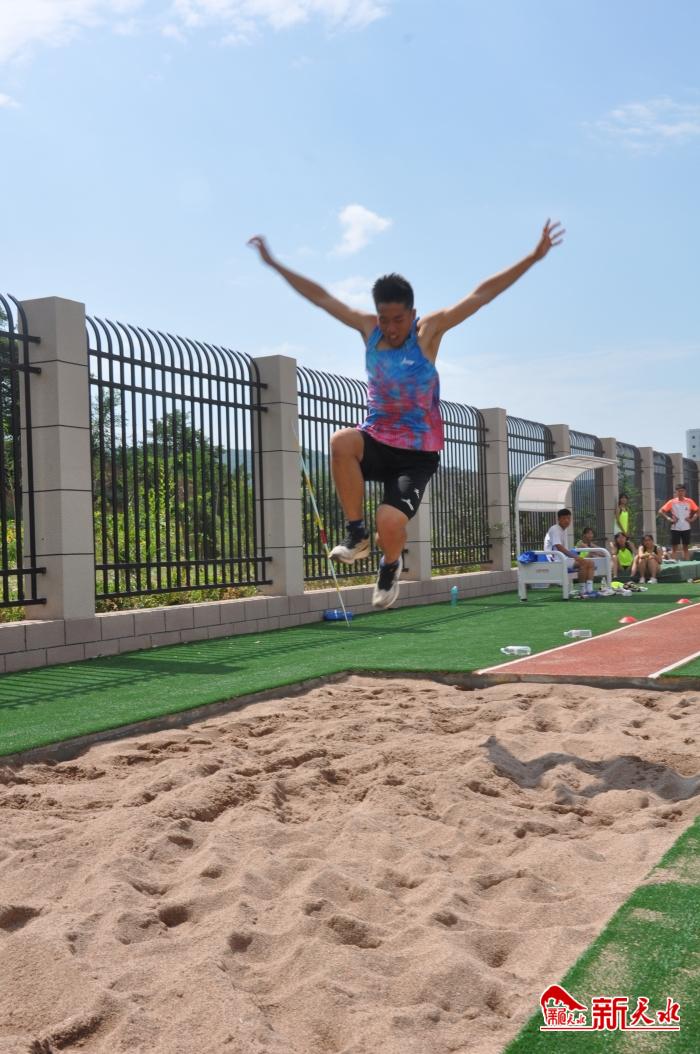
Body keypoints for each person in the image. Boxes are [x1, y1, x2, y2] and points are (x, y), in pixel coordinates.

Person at [248, 221, 564, 608]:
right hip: (377, 438)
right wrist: (275, 264)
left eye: (398, 320)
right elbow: (322, 298)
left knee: (390, 523)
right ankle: (356, 534)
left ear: (412, 313)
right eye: (385, 319)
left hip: (417, 454)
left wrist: (532, 257)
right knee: (340, 442)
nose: (391, 328)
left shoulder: (429, 331)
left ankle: (390, 563)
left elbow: (481, 295)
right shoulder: (369, 331)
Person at [544, 508, 596, 596]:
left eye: (568, 518)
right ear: (559, 519)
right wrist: (575, 557)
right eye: (564, 518)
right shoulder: (555, 529)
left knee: (590, 563)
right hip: (555, 560)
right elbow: (559, 547)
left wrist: (574, 557)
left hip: (562, 558)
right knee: (583, 563)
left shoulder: (563, 530)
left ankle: (589, 590)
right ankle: (583, 591)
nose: (567, 521)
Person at [657, 484, 699, 562]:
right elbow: (660, 511)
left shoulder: (689, 501)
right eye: (679, 491)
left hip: (686, 527)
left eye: (682, 491)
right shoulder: (672, 502)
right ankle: (673, 563)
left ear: (685, 492)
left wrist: (693, 519)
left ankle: (687, 563)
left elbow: (697, 510)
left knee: (685, 547)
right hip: (675, 527)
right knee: (674, 548)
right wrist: (668, 518)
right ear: (676, 492)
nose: (680, 492)